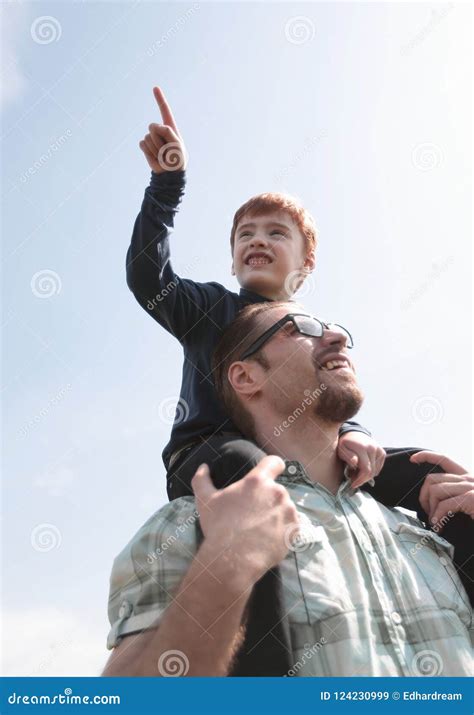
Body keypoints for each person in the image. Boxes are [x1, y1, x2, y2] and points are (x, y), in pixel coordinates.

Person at [103, 302, 473, 677]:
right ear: (247, 377)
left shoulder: (425, 528)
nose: (338, 337)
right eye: (301, 328)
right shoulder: (195, 523)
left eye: (334, 327)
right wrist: (225, 567)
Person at [128, 85, 386, 503]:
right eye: (245, 235)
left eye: (276, 233)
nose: (257, 241)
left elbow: (334, 396)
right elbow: (147, 278)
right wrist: (166, 186)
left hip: (304, 450)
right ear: (233, 263)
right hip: (214, 456)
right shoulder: (211, 307)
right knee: (247, 465)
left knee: (422, 470)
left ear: (308, 262)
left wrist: (354, 434)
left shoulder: (318, 335)